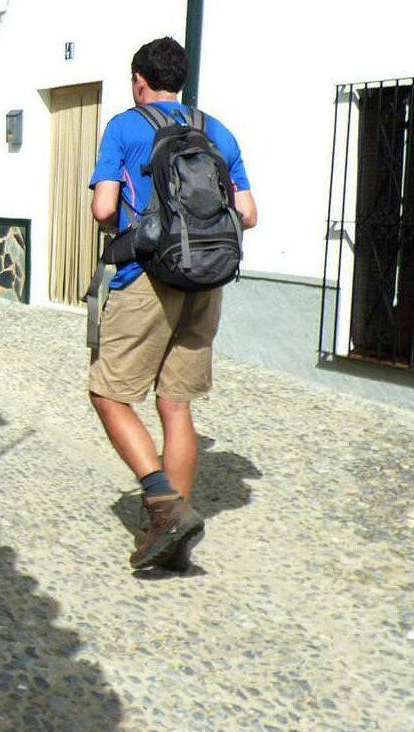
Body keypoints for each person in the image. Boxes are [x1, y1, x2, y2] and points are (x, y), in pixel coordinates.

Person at [87, 37, 256, 571]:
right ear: (180, 80)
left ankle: (162, 503)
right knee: (174, 404)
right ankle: (172, 540)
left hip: (147, 279)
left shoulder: (125, 126)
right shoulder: (216, 131)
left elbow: (103, 207)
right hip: (206, 283)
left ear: (140, 80)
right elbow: (248, 213)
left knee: (109, 394)